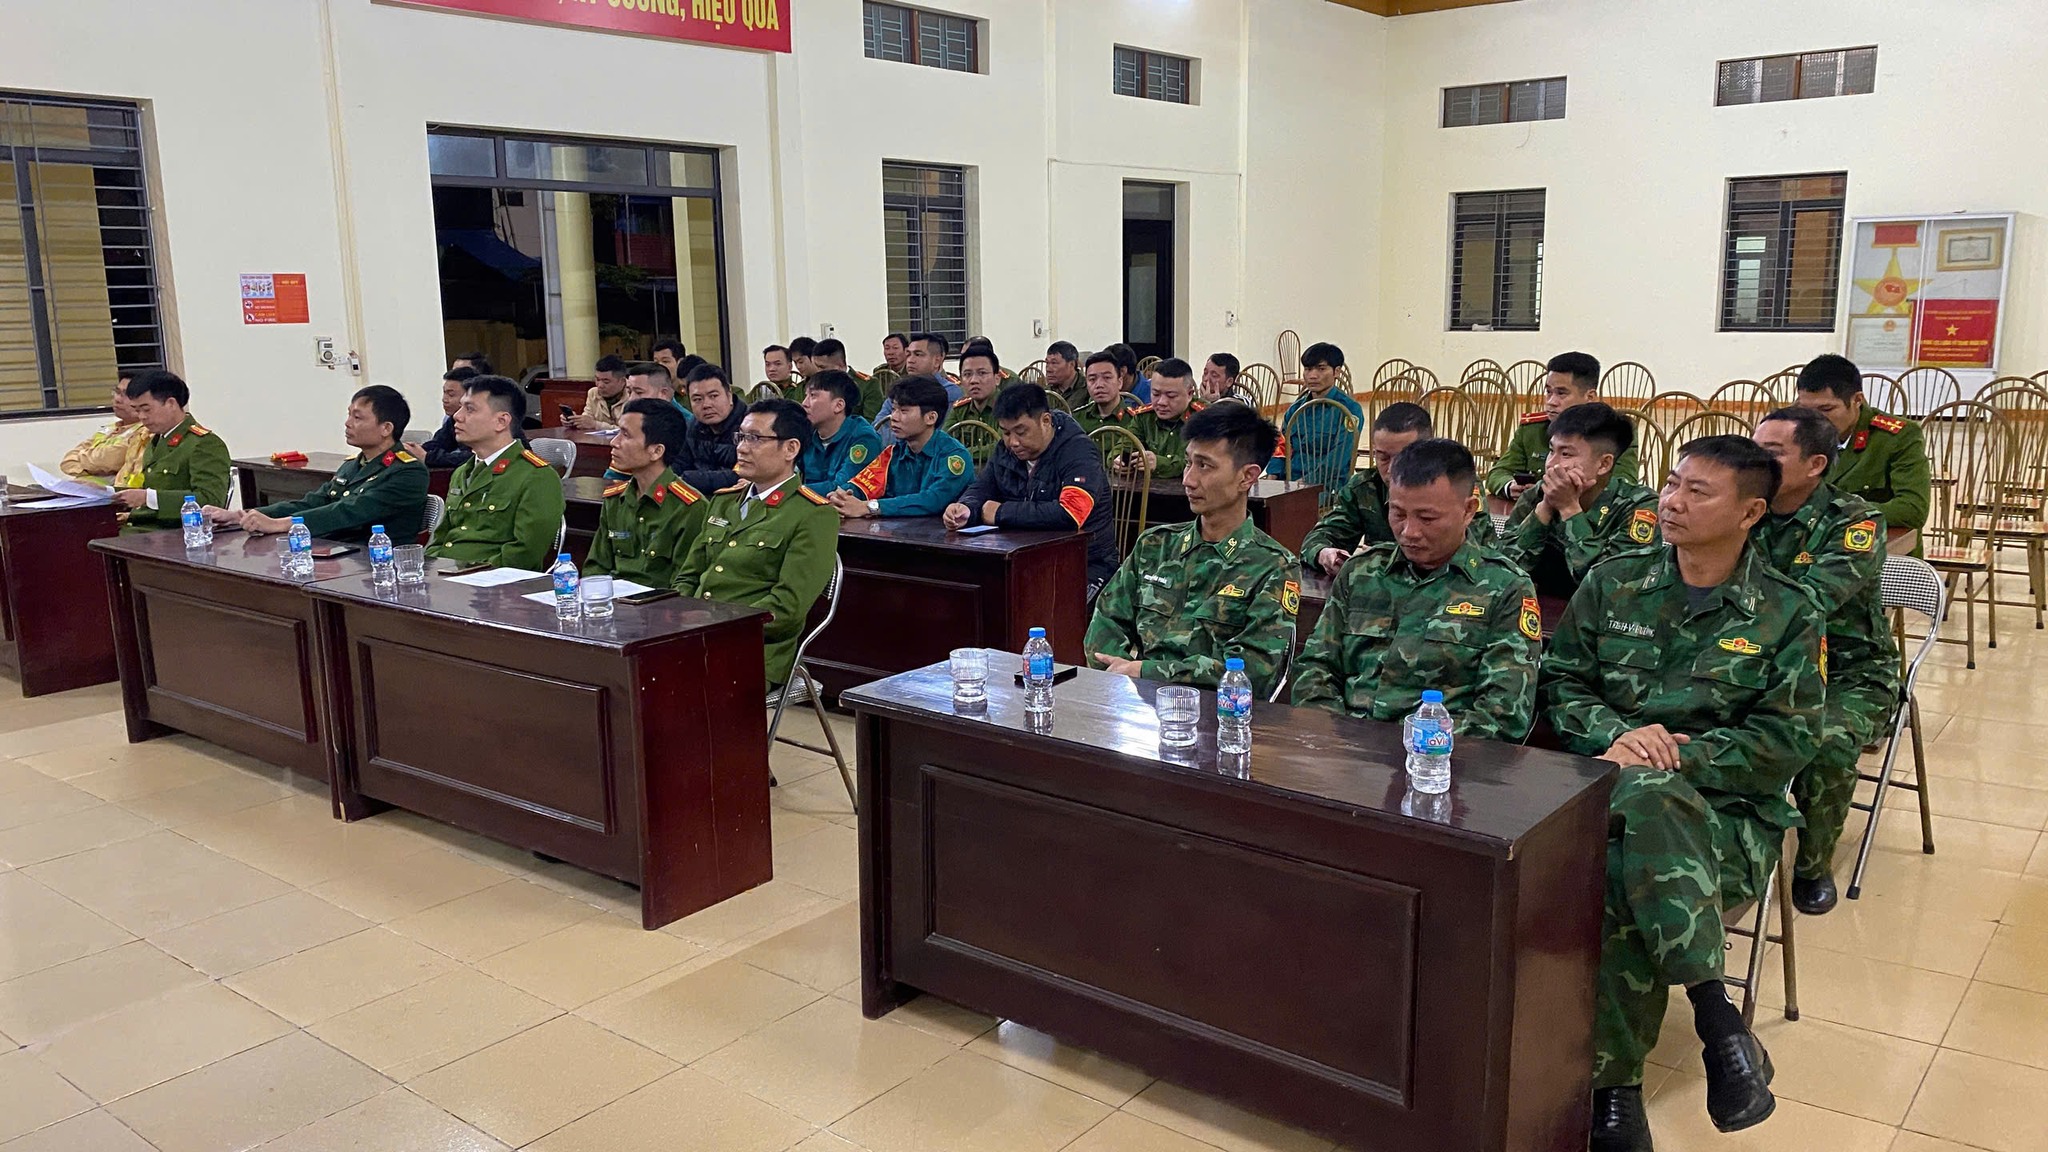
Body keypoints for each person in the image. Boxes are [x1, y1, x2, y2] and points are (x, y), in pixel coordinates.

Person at [1543, 436, 1823, 1151]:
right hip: (1604, 790)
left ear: (1750, 512)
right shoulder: (1614, 582)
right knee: (1637, 806)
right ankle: (1717, 1018)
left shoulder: (1788, 611)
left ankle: (1614, 1095)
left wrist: (1681, 757)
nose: (1671, 502)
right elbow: (1563, 682)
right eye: (1671, 484)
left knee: (1620, 870)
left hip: (1726, 823)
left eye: (1697, 492)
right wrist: (1616, 735)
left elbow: (1789, 741)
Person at [1751, 407, 1899, 914]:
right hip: (1757, 663)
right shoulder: (1746, 507)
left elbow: (1809, 604)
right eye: (1755, 448)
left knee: (1825, 742)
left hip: (1847, 674)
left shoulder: (1854, 521)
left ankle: (1813, 864)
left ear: (1815, 464)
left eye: (1772, 453)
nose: (1757, 461)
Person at [1291, 438, 1538, 739]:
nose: (1409, 532)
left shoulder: (1506, 589)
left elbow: (1503, 715)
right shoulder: (1361, 573)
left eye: (1427, 518)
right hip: (1342, 748)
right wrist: (1338, 738)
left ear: (1468, 510)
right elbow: (1315, 668)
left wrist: (1411, 747)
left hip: (1441, 757)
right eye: (1398, 514)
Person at [1084, 404, 1297, 695]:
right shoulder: (1155, 546)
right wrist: (1121, 674)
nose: (1188, 479)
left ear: (1247, 477)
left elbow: (1253, 670)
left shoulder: (1273, 567)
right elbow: (1105, 623)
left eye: (1204, 466)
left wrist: (1145, 671)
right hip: (1137, 703)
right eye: (1188, 463)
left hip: (1218, 713)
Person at [672, 398, 838, 688]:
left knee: (670, 687)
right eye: (741, 437)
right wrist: (679, 618)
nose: (742, 448)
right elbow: (688, 576)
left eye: (755, 438)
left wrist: (713, 625)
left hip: (754, 651)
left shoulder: (812, 515)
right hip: (694, 638)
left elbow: (787, 608)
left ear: (791, 449)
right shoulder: (723, 502)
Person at [945, 383, 1119, 593]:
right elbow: (982, 487)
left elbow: (1070, 514)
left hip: (1085, 563)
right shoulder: (1006, 450)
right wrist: (966, 508)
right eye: (1006, 433)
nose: (1013, 442)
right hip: (1026, 560)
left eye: (1021, 431)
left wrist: (1000, 513)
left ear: (1045, 421)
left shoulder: (1078, 452)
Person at [212, 385, 429, 543]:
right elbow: (313, 502)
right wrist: (240, 516)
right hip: (339, 553)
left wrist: (281, 524)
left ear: (386, 428)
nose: (347, 423)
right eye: (349, 415)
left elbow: (348, 512)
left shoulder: (408, 471)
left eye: (357, 418)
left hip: (376, 561)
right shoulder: (354, 465)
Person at [1302, 402, 1489, 576]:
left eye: (1403, 458)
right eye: (1383, 457)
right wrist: (1324, 553)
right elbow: (1320, 536)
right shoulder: (1365, 487)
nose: (1392, 469)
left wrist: (1385, 556)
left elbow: (1477, 546)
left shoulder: (1453, 484)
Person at [1501, 402, 1660, 601]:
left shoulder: (1637, 505)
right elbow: (1502, 573)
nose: (1551, 463)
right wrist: (1545, 508)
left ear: (1604, 464)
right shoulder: (1538, 494)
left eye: (1566, 454)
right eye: (1551, 451)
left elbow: (1611, 587)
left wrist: (1569, 508)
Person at [425, 375, 565, 570]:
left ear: (501, 421)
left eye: (470, 409)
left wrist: (465, 573)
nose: (457, 416)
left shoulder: (536, 476)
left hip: (492, 581)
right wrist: (429, 569)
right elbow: (440, 539)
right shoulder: (462, 472)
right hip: (447, 576)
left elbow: (524, 554)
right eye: (460, 407)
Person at [1794, 354, 1930, 549]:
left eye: (1826, 409)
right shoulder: (1792, 431)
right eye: (1805, 409)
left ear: (1857, 400)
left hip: (1877, 549)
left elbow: (1913, 510)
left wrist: (1833, 511)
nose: (1814, 420)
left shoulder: (1897, 437)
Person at [1486, 352, 1641, 500]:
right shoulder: (1533, 429)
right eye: (1548, 392)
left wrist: (1553, 491)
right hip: (1531, 509)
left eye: (1561, 393)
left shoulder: (1613, 432)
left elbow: (1624, 483)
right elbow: (1499, 472)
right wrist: (1510, 486)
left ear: (1590, 397)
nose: (1551, 401)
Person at [586, 400, 707, 587]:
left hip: (661, 603)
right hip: (613, 600)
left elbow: (685, 583)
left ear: (656, 451)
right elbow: (595, 568)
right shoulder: (615, 500)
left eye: (626, 435)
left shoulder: (688, 508)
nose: (614, 442)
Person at [830, 376, 974, 519]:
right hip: (899, 530)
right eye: (893, 409)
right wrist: (842, 497)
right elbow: (864, 484)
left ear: (931, 418)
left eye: (904, 411)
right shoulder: (894, 453)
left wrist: (870, 507)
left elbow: (933, 500)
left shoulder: (953, 456)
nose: (894, 417)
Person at [113, 370, 232, 533]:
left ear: (171, 403)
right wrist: (103, 493)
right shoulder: (157, 440)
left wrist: (148, 498)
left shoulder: (204, 444)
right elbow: (148, 490)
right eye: (137, 410)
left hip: (175, 533)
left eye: (146, 409)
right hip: (141, 528)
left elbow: (210, 500)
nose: (141, 417)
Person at [1265, 341, 1363, 490]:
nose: (1312, 376)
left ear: (1336, 372)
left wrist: (1305, 483)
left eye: (1321, 369)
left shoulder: (1349, 410)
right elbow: (1282, 447)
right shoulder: (1295, 409)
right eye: (1308, 369)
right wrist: (1272, 477)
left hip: (1327, 485)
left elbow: (1339, 458)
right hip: (1290, 480)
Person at [799, 370, 884, 491]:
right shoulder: (807, 434)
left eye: (813, 396)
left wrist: (793, 491)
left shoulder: (864, 438)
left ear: (838, 406)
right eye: (806, 396)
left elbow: (841, 488)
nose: (804, 403)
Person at [872, 332, 964, 443]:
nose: (910, 360)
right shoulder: (900, 390)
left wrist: (905, 435)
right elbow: (877, 428)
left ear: (937, 361)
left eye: (918, 354)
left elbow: (939, 436)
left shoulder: (950, 392)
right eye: (908, 355)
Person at [61, 374, 150, 484]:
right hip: (83, 490)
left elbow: (114, 459)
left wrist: (85, 464)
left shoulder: (146, 431)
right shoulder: (109, 429)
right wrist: (99, 467)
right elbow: (67, 462)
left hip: (113, 491)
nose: (117, 399)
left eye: (126, 394)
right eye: (117, 392)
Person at [1126, 358, 1206, 478]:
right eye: (1156, 394)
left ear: (1190, 394)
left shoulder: (1205, 419)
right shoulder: (1144, 417)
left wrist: (1160, 463)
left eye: (1171, 396)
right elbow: (1123, 446)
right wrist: (1120, 460)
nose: (1162, 402)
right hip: (1148, 488)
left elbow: (1203, 463)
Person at [679, 364, 748, 492]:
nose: (706, 405)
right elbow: (679, 465)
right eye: (697, 399)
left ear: (729, 395)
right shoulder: (693, 426)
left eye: (713, 396)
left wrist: (687, 479)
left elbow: (741, 474)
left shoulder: (749, 426)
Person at [405, 366, 477, 468]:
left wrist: (427, 457)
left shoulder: (481, 421)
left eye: (451, 395)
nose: (444, 399)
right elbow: (438, 443)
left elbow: (473, 457)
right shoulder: (453, 420)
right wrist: (414, 449)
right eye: (444, 393)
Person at [810, 338, 884, 420]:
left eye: (822, 367)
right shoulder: (816, 385)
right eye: (816, 367)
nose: (818, 372)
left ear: (840, 366)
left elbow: (872, 421)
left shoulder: (868, 385)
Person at [1070, 351, 1137, 436]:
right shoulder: (1077, 418)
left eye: (1107, 378)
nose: (1099, 385)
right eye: (1092, 379)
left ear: (1120, 382)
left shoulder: (1134, 419)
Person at [564, 355, 629, 430]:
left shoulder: (634, 396)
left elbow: (630, 431)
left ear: (622, 381)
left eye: (606, 382)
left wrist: (596, 425)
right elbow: (587, 418)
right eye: (597, 380)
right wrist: (575, 421)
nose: (600, 385)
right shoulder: (593, 393)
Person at [944, 345, 1002, 429]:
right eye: (967, 374)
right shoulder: (960, 410)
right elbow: (946, 436)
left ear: (997, 378)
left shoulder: (1008, 408)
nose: (974, 380)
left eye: (982, 373)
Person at [1043, 341, 1083, 407]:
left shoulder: (1088, 390)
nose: (1048, 369)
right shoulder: (1046, 393)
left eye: (1054, 363)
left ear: (1071, 364)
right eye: (1047, 363)